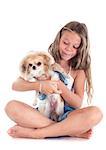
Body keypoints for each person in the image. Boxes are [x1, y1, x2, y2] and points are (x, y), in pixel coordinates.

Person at [5, 21, 103, 139]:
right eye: (65, 43)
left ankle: (36, 133)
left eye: (75, 46)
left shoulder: (78, 71)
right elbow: (16, 85)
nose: (68, 49)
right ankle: (68, 131)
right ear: (58, 40)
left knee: (96, 113)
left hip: (66, 115)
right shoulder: (44, 61)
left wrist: (59, 85)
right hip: (42, 114)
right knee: (10, 107)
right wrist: (40, 85)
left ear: (81, 48)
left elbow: (77, 104)